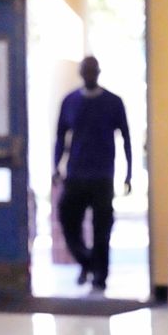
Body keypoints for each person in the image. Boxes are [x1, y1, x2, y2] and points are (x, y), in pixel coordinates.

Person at [53, 56, 132, 292]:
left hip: (102, 176)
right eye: (85, 71)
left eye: (93, 71)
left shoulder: (113, 102)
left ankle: (100, 274)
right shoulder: (69, 102)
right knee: (67, 219)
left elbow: (127, 138)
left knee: (102, 229)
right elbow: (60, 137)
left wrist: (129, 174)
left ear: (98, 72)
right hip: (76, 174)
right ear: (80, 73)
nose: (89, 75)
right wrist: (55, 166)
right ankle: (86, 261)